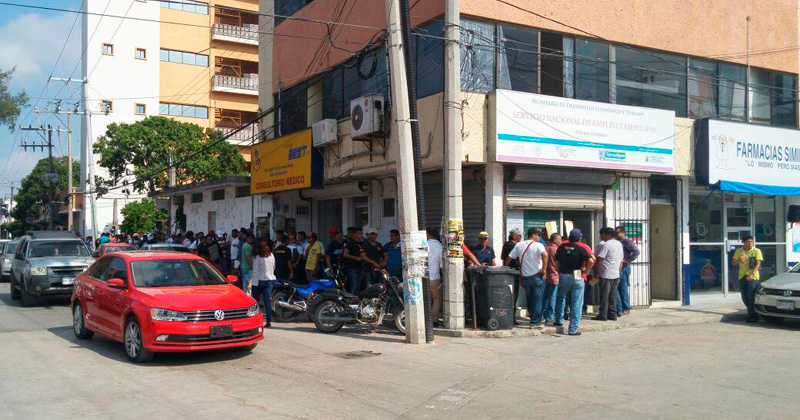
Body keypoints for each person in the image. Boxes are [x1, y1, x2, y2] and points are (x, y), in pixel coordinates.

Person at [554, 229, 595, 336]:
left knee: (561, 297)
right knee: (577, 302)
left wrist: (558, 271)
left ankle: (559, 320)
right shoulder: (581, 248)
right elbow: (591, 260)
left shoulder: (561, 247)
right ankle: (573, 329)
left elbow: (556, 261)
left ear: (569, 237)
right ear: (579, 239)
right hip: (577, 273)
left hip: (564, 274)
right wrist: (586, 272)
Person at [506, 227, 548, 329]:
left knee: (530, 299)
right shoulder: (538, 245)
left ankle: (533, 319)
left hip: (525, 277)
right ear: (533, 235)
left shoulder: (519, 245)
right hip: (537, 276)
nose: (539, 237)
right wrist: (544, 269)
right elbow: (545, 254)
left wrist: (506, 268)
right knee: (537, 299)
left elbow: (509, 257)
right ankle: (535, 322)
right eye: (538, 235)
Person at [593, 227, 623, 321]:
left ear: (607, 235)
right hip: (615, 274)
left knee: (604, 296)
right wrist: (618, 272)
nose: (601, 236)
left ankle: (603, 315)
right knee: (612, 296)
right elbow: (621, 261)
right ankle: (613, 314)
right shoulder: (619, 244)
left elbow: (600, 258)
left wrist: (595, 270)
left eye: (602, 234)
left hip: (606, 273)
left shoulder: (607, 244)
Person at [732, 235, 763, 323]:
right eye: (748, 242)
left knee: (751, 296)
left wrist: (752, 274)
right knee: (745, 297)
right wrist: (739, 260)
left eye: (751, 241)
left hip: (753, 276)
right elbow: (733, 262)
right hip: (742, 276)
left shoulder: (756, 251)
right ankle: (754, 314)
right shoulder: (739, 251)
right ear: (743, 242)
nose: (750, 243)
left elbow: (758, 264)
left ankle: (752, 316)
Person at [249, 242, 275, 328]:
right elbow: (273, 267)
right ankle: (268, 321)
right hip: (269, 280)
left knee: (255, 303)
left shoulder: (257, 257)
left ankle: (254, 321)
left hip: (259, 281)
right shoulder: (272, 256)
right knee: (267, 302)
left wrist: (252, 283)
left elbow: (255, 272)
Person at [615, 226, 640, 316]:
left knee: (622, 288)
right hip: (619, 267)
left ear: (622, 232)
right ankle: (620, 308)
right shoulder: (619, 241)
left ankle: (626, 308)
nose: (616, 234)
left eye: (617, 232)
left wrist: (628, 260)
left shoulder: (626, 241)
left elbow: (636, 251)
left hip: (624, 268)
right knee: (618, 288)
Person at [426, 227, 444, 324]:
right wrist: (444, 277)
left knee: (426, 298)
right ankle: (433, 319)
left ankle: (425, 318)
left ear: (428, 234)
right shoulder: (440, 246)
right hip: (434, 277)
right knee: (436, 298)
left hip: (423, 276)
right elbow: (441, 265)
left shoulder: (424, 245)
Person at [543, 233, 562, 322]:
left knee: (544, 296)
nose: (561, 241)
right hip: (555, 276)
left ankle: (543, 314)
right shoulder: (557, 250)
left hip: (545, 275)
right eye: (560, 239)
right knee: (552, 296)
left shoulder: (545, 248)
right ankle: (550, 316)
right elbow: (559, 264)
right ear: (555, 240)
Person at [343, 227, 366, 295]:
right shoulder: (351, 243)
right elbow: (345, 254)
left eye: (362, 234)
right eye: (359, 234)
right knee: (353, 286)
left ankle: (356, 300)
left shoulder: (363, 243)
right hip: (352, 268)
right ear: (355, 234)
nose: (361, 235)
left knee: (358, 287)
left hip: (361, 267)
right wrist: (356, 258)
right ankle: (351, 300)